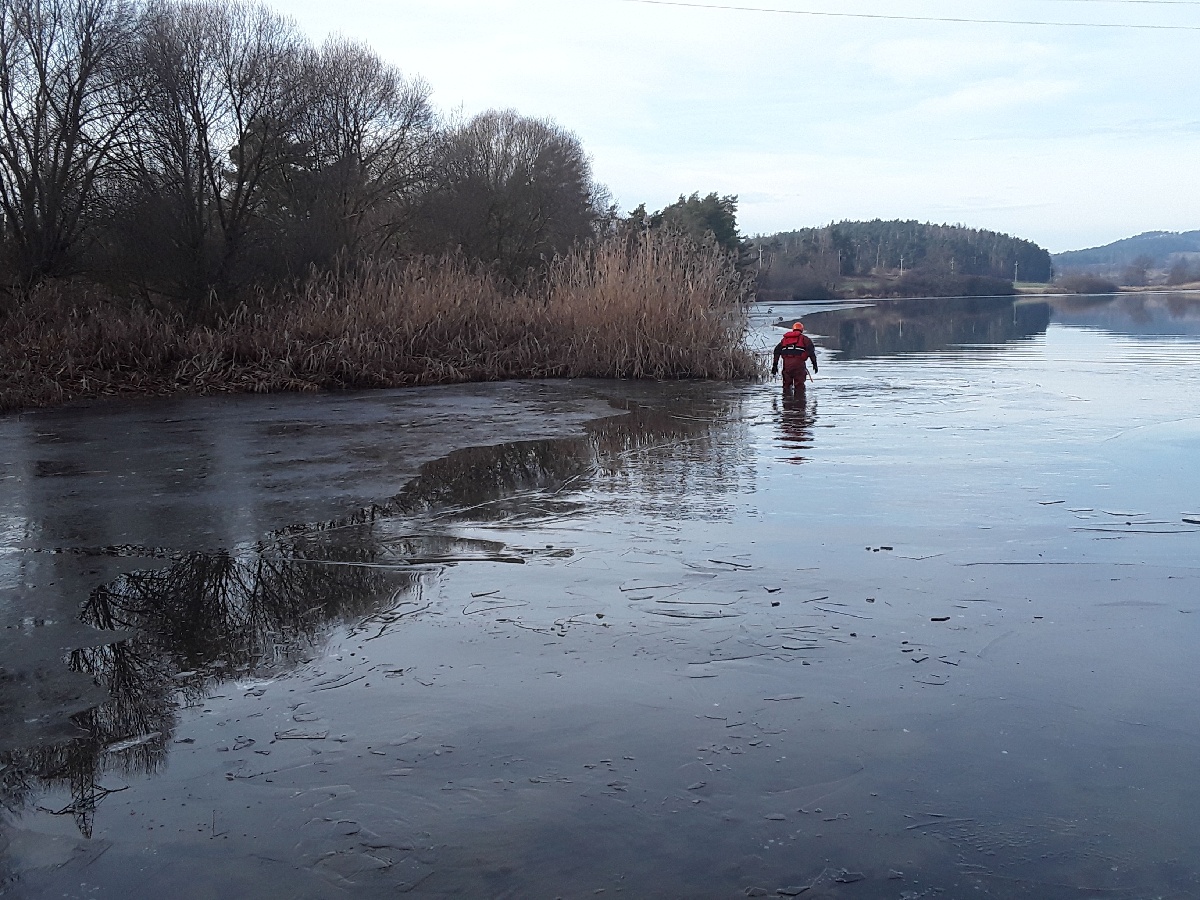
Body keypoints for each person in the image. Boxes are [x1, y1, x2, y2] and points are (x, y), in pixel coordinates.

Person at [772, 321, 818, 395]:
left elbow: (776, 351)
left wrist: (775, 366)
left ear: (793, 329)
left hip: (787, 367)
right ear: (802, 330)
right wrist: (814, 365)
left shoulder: (784, 340)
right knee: (799, 388)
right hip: (799, 367)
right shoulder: (805, 339)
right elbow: (811, 352)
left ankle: (787, 402)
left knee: (786, 387)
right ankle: (799, 403)